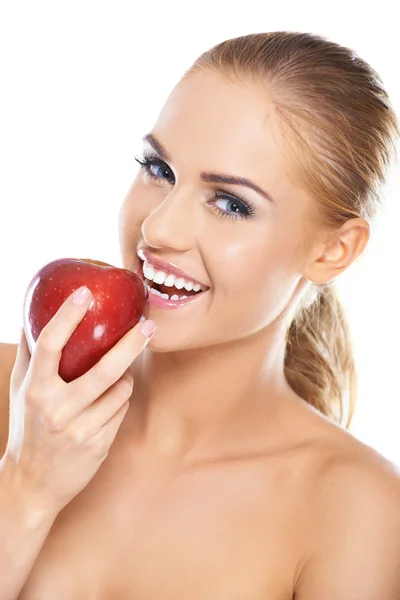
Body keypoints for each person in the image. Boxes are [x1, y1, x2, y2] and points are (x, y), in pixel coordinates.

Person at [1, 30, 400, 599]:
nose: (157, 228)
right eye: (158, 169)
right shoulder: (14, 401)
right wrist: (25, 485)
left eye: (231, 204)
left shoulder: (358, 513)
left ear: (332, 251)